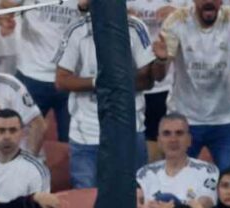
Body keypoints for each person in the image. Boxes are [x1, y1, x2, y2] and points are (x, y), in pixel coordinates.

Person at [56, 0, 157, 188]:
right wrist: (99, 82)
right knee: (86, 203)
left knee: (135, 197)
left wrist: (114, 82)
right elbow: (61, 80)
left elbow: (148, 80)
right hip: (86, 133)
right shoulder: (76, 30)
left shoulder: (136, 28)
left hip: (129, 130)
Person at [155, 0, 230, 171]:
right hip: (184, 118)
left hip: (226, 119)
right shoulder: (177, 20)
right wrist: (160, 59)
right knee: (178, 179)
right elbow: (159, 76)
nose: (209, 1)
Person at [0, 0, 83, 143]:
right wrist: (4, 18)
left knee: (73, 143)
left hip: (70, 78)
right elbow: (4, 5)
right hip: (31, 75)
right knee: (21, 142)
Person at [0, 109, 60, 208]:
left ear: (22, 133)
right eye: (1, 131)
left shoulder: (36, 169)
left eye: (13, 131)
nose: (7, 137)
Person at [128, 0, 183, 142]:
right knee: (130, 142)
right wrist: (120, 18)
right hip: (132, 82)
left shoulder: (182, 3)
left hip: (166, 83)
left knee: (163, 142)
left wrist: (178, 16)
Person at [137, 114, 219, 208]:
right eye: (166, 134)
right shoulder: (143, 174)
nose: (173, 140)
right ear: (159, 141)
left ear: (189, 140)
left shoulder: (208, 171)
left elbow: (206, 202)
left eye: (179, 133)